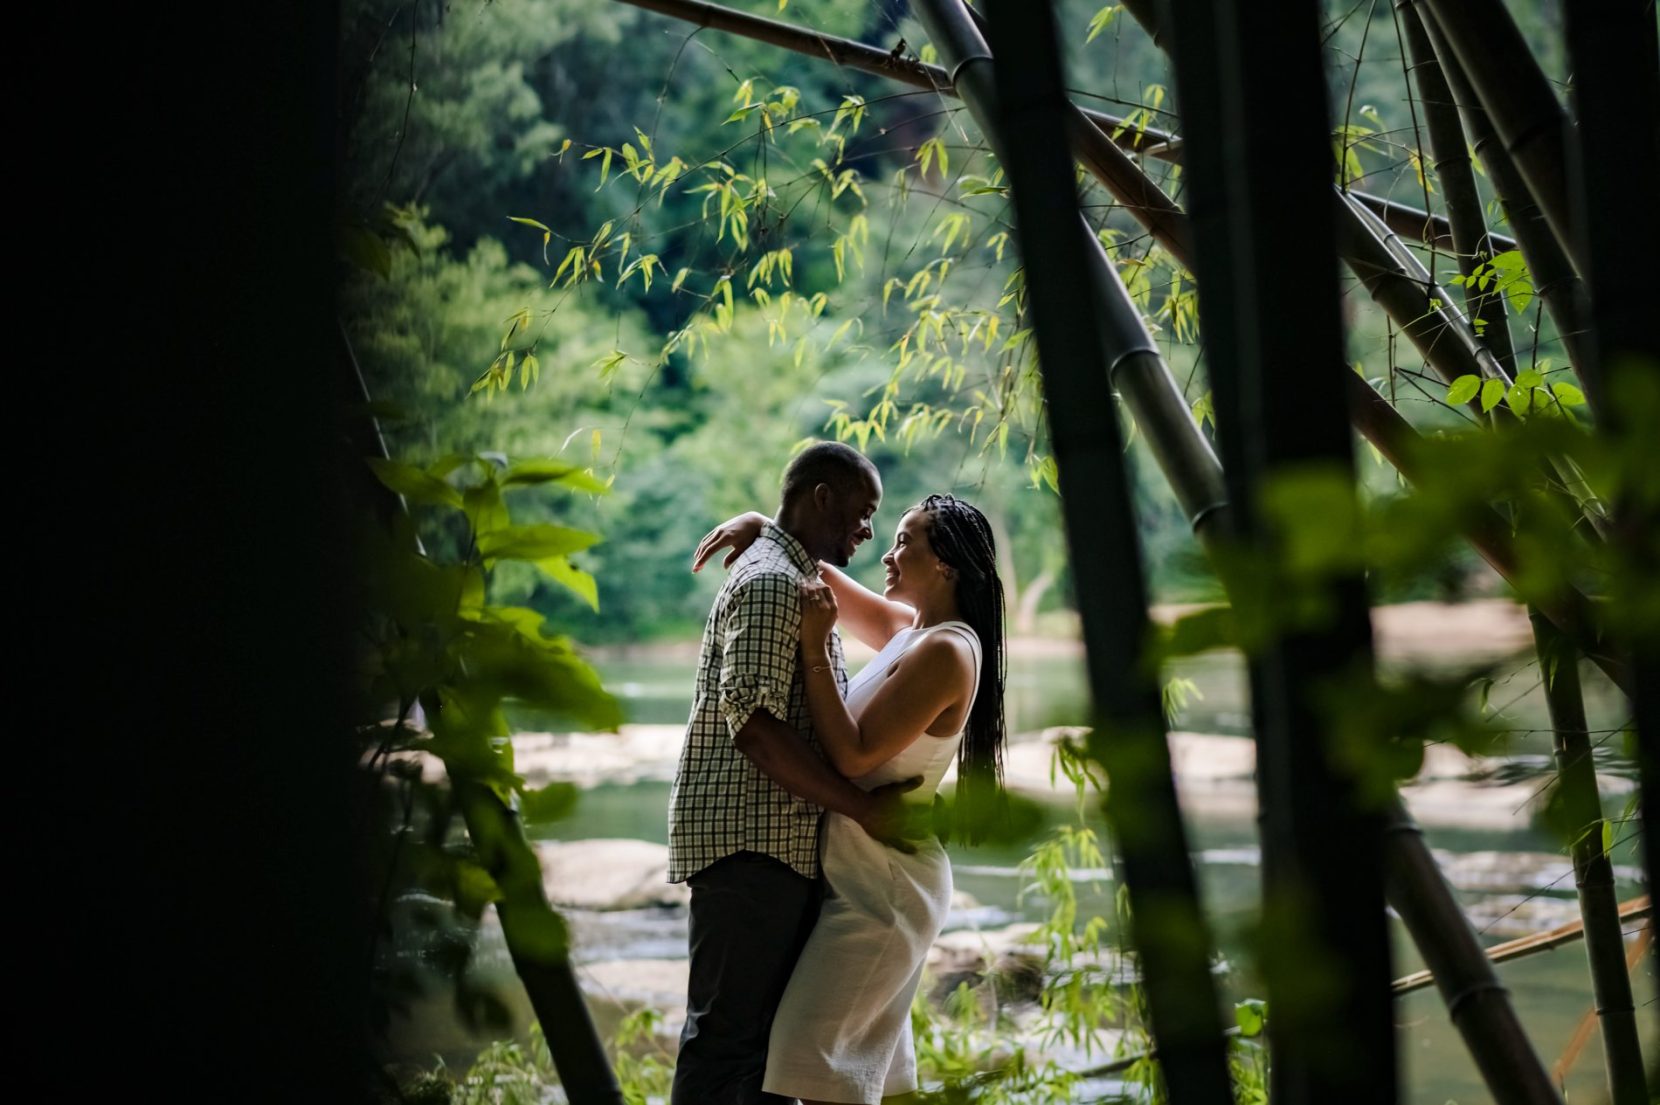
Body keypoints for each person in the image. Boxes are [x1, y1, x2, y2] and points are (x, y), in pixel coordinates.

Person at [692, 492, 1008, 1105]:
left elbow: (853, 756)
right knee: (855, 1077)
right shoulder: (909, 632)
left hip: (885, 890)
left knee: (809, 1062)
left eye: (904, 542)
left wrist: (815, 647)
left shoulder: (947, 651)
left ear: (944, 563)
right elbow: (819, 577)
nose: (887, 554)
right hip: (860, 875)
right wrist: (764, 525)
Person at [667, 441, 924, 1105]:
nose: (868, 531)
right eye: (863, 513)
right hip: (750, 847)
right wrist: (862, 807)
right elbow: (753, 726)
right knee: (726, 1043)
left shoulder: (794, 574)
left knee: (760, 1052)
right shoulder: (774, 583)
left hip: (774, 847)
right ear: (822, 497)